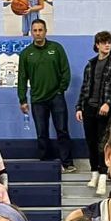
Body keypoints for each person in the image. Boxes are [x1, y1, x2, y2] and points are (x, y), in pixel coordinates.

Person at [17, 19, 74, 171]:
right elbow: (22, 78)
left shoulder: (56, 49)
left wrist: (61, 90)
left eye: (40, 30)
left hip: (56, 97)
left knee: (62, 130)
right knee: (42, 132)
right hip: (37, 100)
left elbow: (66, 72)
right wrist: (22, 99)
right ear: (31, 32)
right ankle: (46, 162)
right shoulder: (26, 54)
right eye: (35, 30)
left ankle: (67, 163)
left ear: (45, 31)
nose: (38, 33)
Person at [77, 31, 111, 195]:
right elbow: (84, 88)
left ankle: (103, 177)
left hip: (106, 109)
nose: (107, 45)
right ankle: (94, 174)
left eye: (109, 42)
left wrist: (107, 103)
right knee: (91, 142)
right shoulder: (90, 65)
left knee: (103, 143)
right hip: (88, 108)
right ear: (97, 45)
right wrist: (79, 107)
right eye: (104, 42)